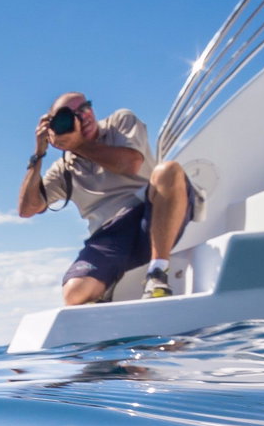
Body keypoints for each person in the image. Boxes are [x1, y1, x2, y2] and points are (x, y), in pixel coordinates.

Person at [18, 92, 197, 304]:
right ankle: (107, 283)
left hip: (150, 217)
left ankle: (157, 274)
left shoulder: (121, 121)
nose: (83, 117)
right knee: (74, 294)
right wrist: (39, 154)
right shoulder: (64, 169)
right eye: (69, 117)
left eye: (85, 108)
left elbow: (130, 164)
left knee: (168, 170)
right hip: (109, 235)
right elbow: (27, 209)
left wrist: (77, 144)